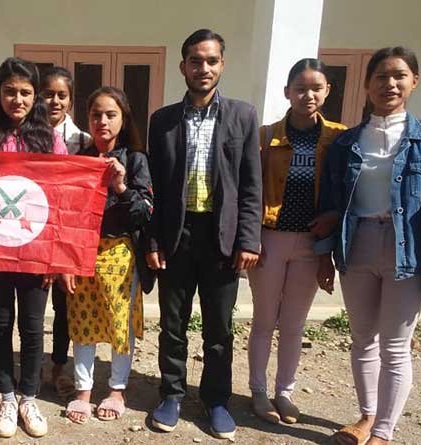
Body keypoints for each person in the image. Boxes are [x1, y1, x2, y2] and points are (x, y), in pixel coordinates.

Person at [316, 47, 421, 445]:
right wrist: (324, 256)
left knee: (396, 346)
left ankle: (383, 433)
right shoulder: (347, 143)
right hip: (357, 245)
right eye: (381, 76)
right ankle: (367, 416)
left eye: (399, 75)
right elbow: (332, 205)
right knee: (362, 338)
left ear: (414, 81)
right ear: (367, 85)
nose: (390, 83)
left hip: (408, 249)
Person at [145, 28, 262, 440]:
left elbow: (251, 183)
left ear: (222, 65)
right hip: (176, 237)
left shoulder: (243, 116)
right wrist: (154, 240)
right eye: (195, 61)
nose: (204, 68)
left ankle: (216, 400)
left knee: (219, 329)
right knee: (172, 324)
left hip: (221, 238)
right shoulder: (162, 120)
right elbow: (155, 188)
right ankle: (171, 395)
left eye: (211, 61)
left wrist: (248, 238)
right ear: (183, 67)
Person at [0, 57, 67, 438]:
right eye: (10, 91)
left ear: (35, 96)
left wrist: (57, 256)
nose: (18, 99)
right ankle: (6, 397)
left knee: (33, 327)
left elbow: (62, 199)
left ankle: (29, 398)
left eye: (26, 92)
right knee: (0, 323)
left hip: (36, 251)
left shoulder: (50, 140)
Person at [246, 58, 346, 424]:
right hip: (269, 240)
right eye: (300, 88)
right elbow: (251, 191)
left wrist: (331, 234)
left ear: (327, 91)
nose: (308, 95)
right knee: (263, 319)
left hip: (311, 244)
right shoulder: (265, 136)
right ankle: (258, 392)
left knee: (293, 323)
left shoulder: (339, 138)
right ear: (287, 92)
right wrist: (251, 238)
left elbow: (344, 190)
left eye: (316, 88)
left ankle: (284, 392)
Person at [60, 87, 153, 424]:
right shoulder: (79, 159)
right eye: (96, 114)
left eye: (110, 114)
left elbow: (144, 213)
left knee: (119, 323)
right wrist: (65, 260)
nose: (102, 121)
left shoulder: (136, 159)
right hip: (81, 251)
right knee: (82, 322)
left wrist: (121, 186)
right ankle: (83, 391)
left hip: (120, 253)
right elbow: (65, 213)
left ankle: (117, 389)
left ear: (123, 119)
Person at [39, 66, 92, 398]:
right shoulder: (25, 137)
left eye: (62, 95)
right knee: (30, 308)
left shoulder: (83, 142)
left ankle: (59, 367)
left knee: (63, 308)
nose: (54, 101)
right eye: (48, 94)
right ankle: (32, 367)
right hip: (32, 234)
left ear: (71, 100)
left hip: (66, 237)